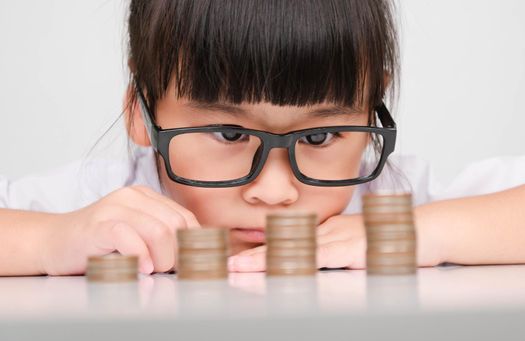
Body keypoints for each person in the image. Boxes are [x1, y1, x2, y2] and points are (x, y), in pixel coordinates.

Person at [0, 0, 524, 276]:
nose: (275, 193)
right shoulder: (102, 206)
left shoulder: (387, 201)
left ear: (369, 111)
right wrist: (49, 240)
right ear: (141, 110)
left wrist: (420, 233)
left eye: (320, 135)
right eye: (229, 132)